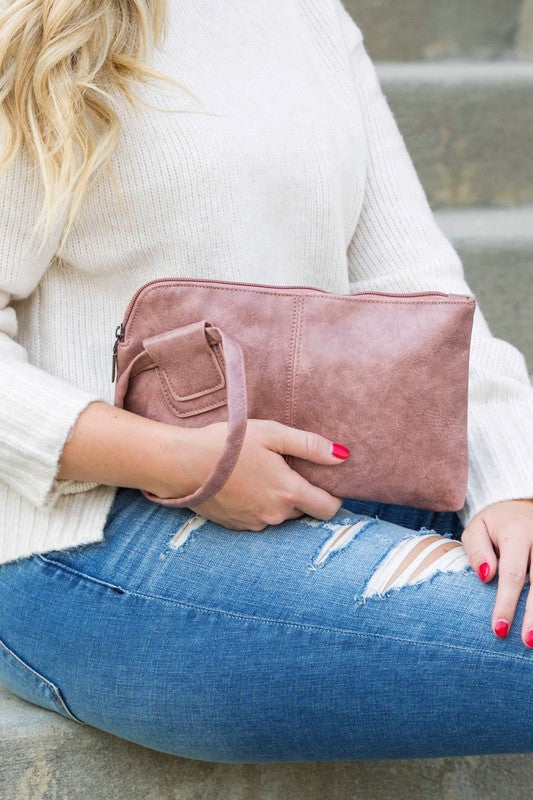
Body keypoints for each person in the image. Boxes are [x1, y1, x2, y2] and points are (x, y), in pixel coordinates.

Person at [0, 0, 532, 763]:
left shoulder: (305, 16)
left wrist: (511, 485)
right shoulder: (32, 24)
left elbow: (414, 284)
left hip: (328, 481)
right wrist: (182, 459)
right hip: (84, 540)